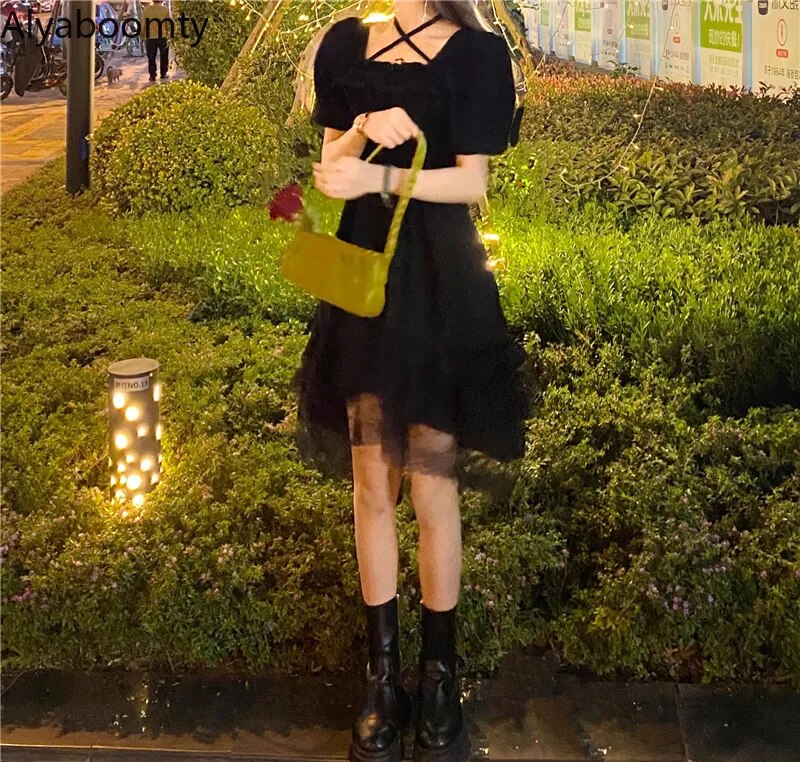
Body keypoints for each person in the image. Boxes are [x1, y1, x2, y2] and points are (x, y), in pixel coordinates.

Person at [294, 0, 529, 759]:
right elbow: (329, 176)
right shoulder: (344, 43)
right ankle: (381, 678)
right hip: (364, 289)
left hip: (439, 287)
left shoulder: (477, 52)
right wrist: (363, 129)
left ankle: (439, 677)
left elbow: (471, 184)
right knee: (372, 483)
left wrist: (385, 173)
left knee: (431, 486)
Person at [140, 0, 169, 82]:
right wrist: (169, 33)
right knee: (164, 56)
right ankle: (163, 73)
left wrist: (142, 34)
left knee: (151, 57)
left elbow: (143, 24)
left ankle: (152, 75)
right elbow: (168, 23)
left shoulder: (146, 10)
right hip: (162, 36)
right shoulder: (165, 9)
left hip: (150, 37)